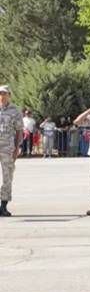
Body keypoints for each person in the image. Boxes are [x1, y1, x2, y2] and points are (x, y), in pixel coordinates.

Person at [0, 85, 23, 217]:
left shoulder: (15, 110)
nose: (2, 96)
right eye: (0, 93)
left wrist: (17, 148)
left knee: (7, 177)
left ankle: (3, 205)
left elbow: (19, 130)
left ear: (9, 95)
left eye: (4, 93)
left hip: (8, 149)